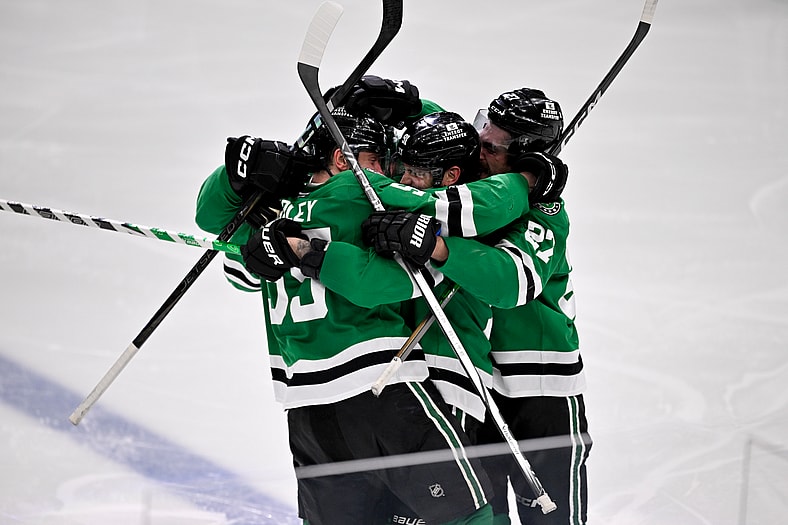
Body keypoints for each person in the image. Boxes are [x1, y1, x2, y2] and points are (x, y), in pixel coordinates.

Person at [196, 106, 522, 524]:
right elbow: (465, 211)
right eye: (378, 162)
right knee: (468, 511)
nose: (390, 174)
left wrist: (234, 172)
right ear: (341, 160)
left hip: (305, 409)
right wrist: (524, 181)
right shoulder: (357, 189)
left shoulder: (274, 217)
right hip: (376, 388)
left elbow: (211, 218)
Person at [364, 87, 592, 525]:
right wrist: (411, 105)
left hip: (540, 387)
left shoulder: (544, 211)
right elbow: (447, 136)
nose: (477, 148)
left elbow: (512, 281)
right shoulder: (479, 178)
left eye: (490, 146)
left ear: (525, 154)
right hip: (475, 381)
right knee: (483, 511)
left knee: (553, 518)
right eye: (482, 129)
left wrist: (432, 245)